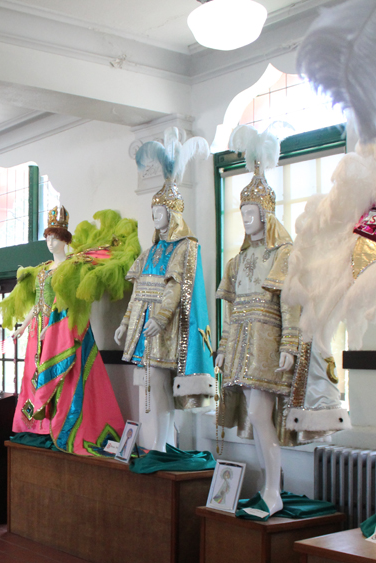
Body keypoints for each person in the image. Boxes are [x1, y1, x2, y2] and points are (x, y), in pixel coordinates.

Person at [0, 207, 135, 456]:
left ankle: (63, 424)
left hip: (63, 329)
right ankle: (38, 426)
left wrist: (53, 327)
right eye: (47, 237)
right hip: (39, 330)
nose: (50, 242)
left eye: (54, 237)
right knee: (33, 375)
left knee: (65, 377)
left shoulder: (74, 266)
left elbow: (73, 302)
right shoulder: (42, 270)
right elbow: (38, 303)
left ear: (64, 239)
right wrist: (23, 327)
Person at [115, 128, 216, 451]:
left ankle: (164, 443)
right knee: (153, 386)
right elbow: (136, 294)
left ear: (171, 214)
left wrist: (160, 317)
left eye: (159, 211)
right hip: (146, 327)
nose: (155, 217)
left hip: (166, 328)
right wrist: (125, 323)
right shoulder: (149, 252)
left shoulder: (185, 247)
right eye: (153, 212)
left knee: (161, 386)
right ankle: (160, 443)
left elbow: (177, 288)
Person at [215, 127, 296, 516]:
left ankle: (274, 488)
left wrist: (290, 346)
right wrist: (221, 349)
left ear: (266, 214)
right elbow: (231, 315)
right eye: (243, 213)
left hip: (266, 343)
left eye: (252, 213)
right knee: (253, 417)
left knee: (263, 417)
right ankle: (270, 486)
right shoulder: (238, 262)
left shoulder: (283, 254)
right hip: (241, 345)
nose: (246, 219)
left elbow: (291, 305)